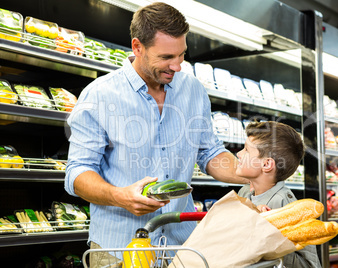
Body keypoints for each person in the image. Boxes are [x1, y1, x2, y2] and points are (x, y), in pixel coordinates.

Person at [64, 2, 247, 266]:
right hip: (119, 249)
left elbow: (209, 152)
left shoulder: (193, 90)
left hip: (181, 247)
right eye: (166, 57)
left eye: (182, 55)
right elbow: (78, 173)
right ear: (137, 47)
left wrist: (249, 173)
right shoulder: (100, 95)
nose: (177, 66)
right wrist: (121, 196)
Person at [237, 121, 322, 268]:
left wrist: (271, 239)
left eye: (246, 150)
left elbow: (309, 265)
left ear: (267, 165)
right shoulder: (244, 193)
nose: (238, 154)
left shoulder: (286, 206)